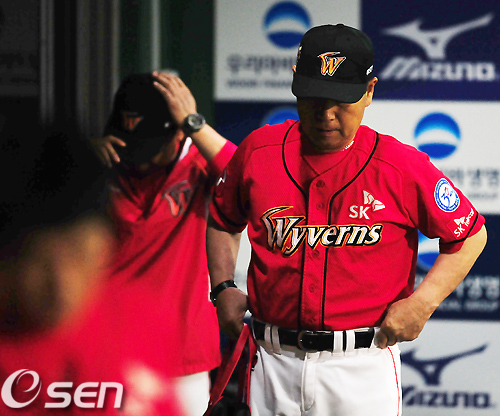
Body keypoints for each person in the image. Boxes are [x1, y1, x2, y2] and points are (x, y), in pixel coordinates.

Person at [206, 24, 487, 416]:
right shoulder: (259, 151)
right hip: (272, 361)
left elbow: (470, 234)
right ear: (295, 83)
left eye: (341, 101)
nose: (326, 115)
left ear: (369, 91)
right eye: (314, 98)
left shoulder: (399, 166)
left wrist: (423, 303)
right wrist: (222, 286)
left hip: (361, 365)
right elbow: (222, 218)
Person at [89, 72, 237, 416]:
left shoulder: (200, 164)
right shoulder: (100, 166)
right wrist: (77, 165)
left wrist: (195, 123)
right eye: (131, 144)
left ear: (180, 134)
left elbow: (250, 175)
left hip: (181, 354)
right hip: (104, 345)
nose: (140, 159)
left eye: (151, 149)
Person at [0, 118, 115, 413]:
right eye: (37, 260)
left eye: (78, 254)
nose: (61, 285)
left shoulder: (144, 330)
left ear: (106, 245)